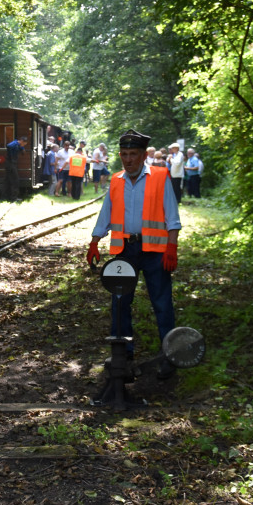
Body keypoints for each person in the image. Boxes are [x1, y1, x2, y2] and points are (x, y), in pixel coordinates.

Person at [87, 129, 182, 379]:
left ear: (143, 156)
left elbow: (172, 218)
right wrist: (94, 242)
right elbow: (105, 214)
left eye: (133, 154)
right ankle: (123, 357)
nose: (128, 159)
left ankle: (169, 358)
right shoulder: (116, 180)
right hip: (125, 250)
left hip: (155, 252)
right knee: (120, 303)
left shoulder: (161, 177)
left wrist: (171, 247)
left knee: (162, 303)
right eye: (124, 154)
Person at [4, 135, 27, 201]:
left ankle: (9, 196)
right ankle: (13, 197)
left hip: (12, 163)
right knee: (15, 180)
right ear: (22, 141)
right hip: (10, 163)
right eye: (24, 144)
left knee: (10, 179)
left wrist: (21, 147)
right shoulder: (15, 143)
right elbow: (9, 146)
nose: (23, 145)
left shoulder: (19, 145)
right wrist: (19, 145)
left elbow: (23, 152)